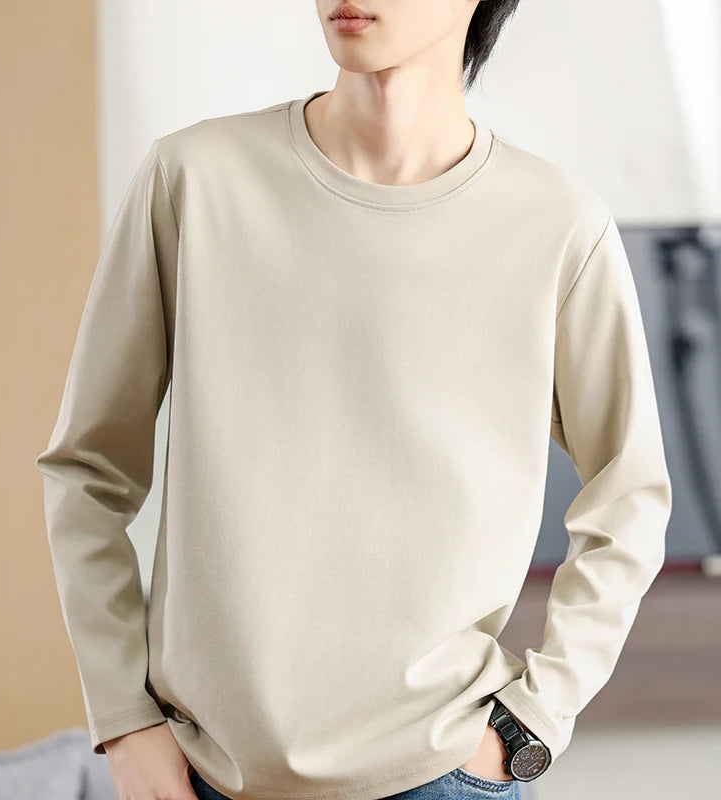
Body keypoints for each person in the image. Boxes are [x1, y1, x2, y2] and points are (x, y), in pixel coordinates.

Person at [34, 1, 673, 799]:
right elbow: (86, 471)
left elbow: (630, 496)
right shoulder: (193, 180)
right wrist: (126, 722)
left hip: (445, 776)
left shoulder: (558, 229)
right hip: (206, 777)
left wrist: (534, 718)